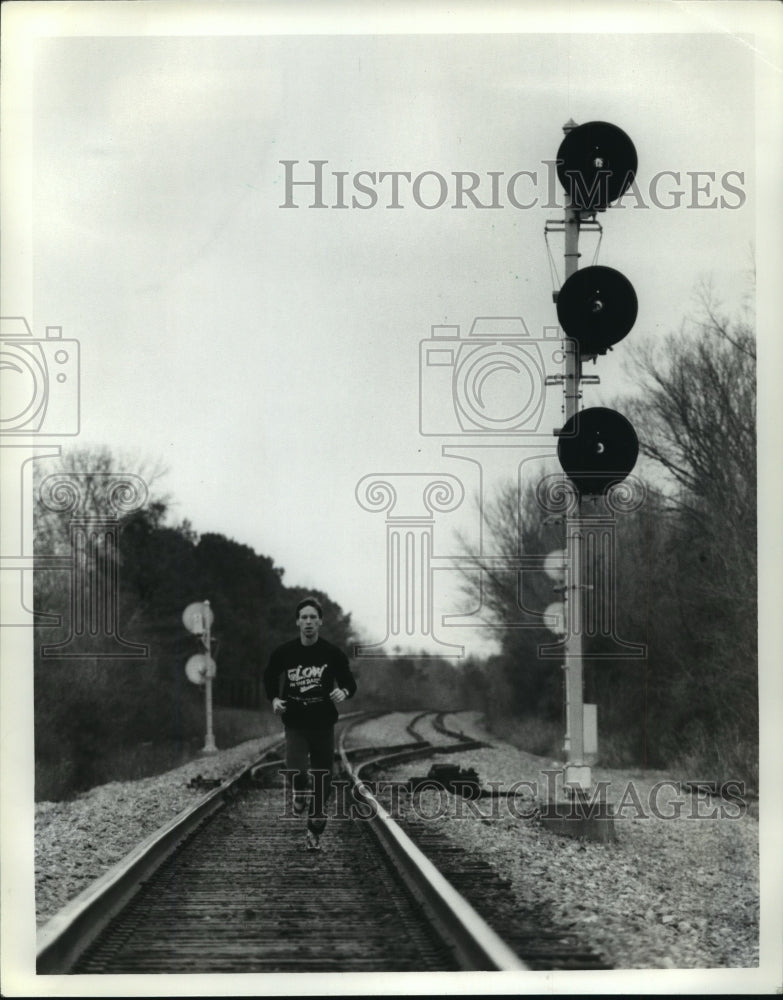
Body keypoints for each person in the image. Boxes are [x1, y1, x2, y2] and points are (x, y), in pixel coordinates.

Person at [263, 597, 356, 851]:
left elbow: (349, 680)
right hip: (295, 720)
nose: (308, 622)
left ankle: (314, 829)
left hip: (323, 722)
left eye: (313, 617)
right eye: (303, 617)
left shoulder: (331, 653)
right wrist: (274, 699)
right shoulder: (285, 652)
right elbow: (270, 674)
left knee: (324, 778)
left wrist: (344, 691)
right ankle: (299, 791)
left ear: (320, 622)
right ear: (297, 622)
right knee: (294, 768)